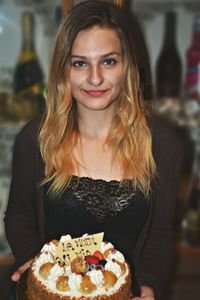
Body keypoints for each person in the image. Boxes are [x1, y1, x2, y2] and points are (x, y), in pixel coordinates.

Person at [1, 1, 183, 299]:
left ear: (127, 66)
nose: (95, 78)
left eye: (108, 61)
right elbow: (19, 214)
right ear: (64, 70)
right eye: (80, 63)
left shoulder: (162, 145)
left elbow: (160, 235)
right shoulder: (35, 138)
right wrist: (35, 266)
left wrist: (148, 286)